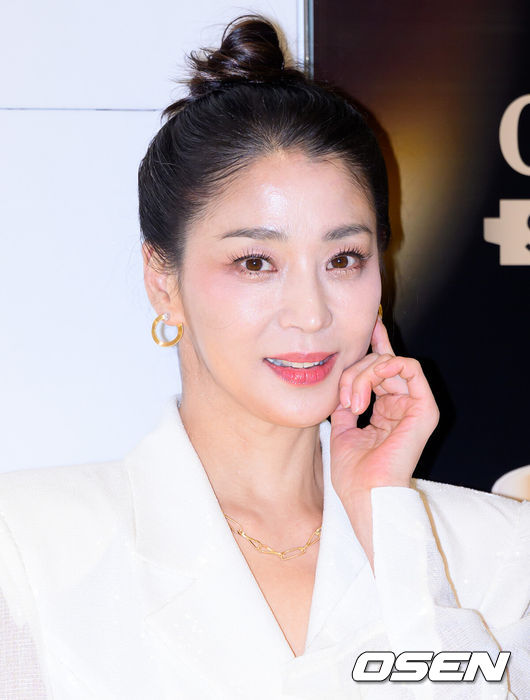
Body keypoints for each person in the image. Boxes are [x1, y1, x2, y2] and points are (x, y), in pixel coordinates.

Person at [0, 14, 528, 700]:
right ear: (164, 281)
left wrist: (390, 526)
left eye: (343, 259)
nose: (310, 312)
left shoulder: (495, 552)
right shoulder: (30, 549)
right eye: (255, 262)